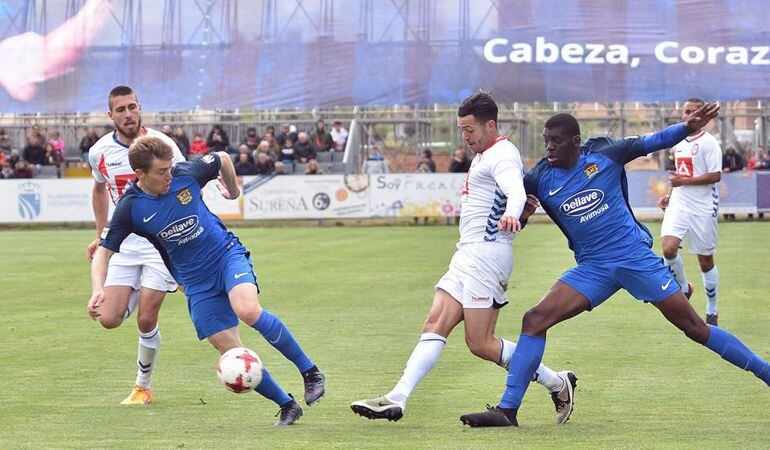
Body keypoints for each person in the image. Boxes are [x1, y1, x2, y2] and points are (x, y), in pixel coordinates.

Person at [459, 104, 770, 428]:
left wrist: (687, 127)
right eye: (546, 140)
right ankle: (507, 411)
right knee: (534, 319)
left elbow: (655, 140)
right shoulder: (540, 177)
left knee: (695, 329)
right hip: (593, 268)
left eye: (557, 141)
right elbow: (514, 201)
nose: (549, 147)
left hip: (634, 258)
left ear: (576, 141)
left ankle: (766, 372)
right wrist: (516, 216)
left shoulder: (605, 153)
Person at [351, 92, 577, 424]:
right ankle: (397, 398)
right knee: (434, 323)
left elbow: (515, 190)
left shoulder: (502, 154)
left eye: (469, 130)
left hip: (486, 256)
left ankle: (558, 382)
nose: (465, 137)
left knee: (481, 343)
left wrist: (514, 214)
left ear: (490, 125)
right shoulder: (485, 154)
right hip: (466, 253)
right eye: (461, 129)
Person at [90, 137, 326, 425]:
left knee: (248, 310)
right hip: (195, 282)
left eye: (169, 168)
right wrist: (98, 289)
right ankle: (287, 405)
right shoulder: (130, 207)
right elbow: (103, 253)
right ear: (140, 174)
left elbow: (223, 158)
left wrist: (233, 190)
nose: (169, 175)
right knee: (232, 351)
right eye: (161, 171)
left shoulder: (185, 174)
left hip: (226, 256)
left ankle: (309, 371)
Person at [85, 85, 186, 406]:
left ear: (140, 108)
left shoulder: (163, 145)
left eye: (132, 107)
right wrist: (102, 234)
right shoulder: (99, 152)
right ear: (110, 115)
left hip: (160, 243)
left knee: (146, 319)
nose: (128, 115)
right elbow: (99, 191)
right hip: (125, 244)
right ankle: (143, 288)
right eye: (121, 110)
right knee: (108, 318)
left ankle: (142, 387)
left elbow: (184, 186)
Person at [657, 98, 722, 326]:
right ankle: (684, 289)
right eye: (686, 111)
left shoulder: (709, 143)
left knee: (705, 261)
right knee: (668, 248)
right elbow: (678, 175)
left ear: (703, 116)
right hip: (680, 203)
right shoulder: (678, 142)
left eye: (694, 111)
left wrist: (684, 182)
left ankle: (712, 310)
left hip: (703, 205)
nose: (689, 115)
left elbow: (715, 176)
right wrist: (670, 194)